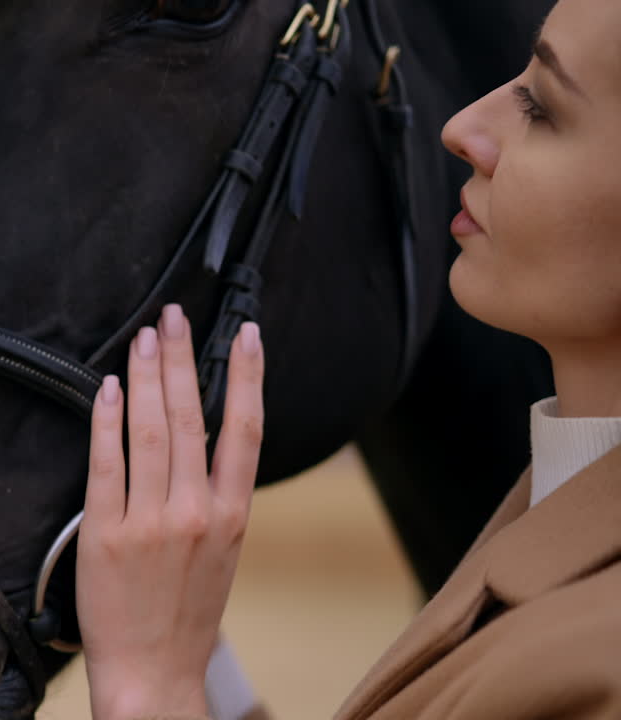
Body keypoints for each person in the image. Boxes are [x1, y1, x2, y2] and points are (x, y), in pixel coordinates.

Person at [75, 0, 621, 717]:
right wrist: (191, 657)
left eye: (541, 108)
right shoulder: (555, 511)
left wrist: (151, 691)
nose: (462, 128)